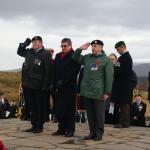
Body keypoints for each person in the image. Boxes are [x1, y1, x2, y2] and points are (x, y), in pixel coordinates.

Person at [72, 40, 114, 141]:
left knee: (99, 115)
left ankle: (99, 133)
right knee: (90, 114)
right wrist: (80, 49)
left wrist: (107, 92)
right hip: (87, 91)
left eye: (95, 46)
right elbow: (74, 57)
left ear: (101, 47)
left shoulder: (106, 60)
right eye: (92, 46)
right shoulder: (87, 58)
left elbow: (109, 77)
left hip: (98, 92)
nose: (93, 48)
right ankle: (92, 132)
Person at [17, 36, 54, 133]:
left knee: (39, 106)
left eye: (36, 42)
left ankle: (39, 126)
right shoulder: (29, 52)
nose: (34, 44)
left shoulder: (45, 54)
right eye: (33, 42)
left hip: (39, 85)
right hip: (28, 84)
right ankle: (33, 125)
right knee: (31, 106)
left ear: (41, 43)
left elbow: (48, 71)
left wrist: (46, 85)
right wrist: (24, 44)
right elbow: (20, 52)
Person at [52, 38, 80, 137]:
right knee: (60, 109)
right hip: (58, 87)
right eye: (62, 46)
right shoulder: (58, 56)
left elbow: (74, 71)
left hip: (69, 87)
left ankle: (70, 129)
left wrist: (63, 81)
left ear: (70, 46)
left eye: (65, 46)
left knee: (69, 109)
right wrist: (54, 82)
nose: (63, 47)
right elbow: (54, 70)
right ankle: (61, 128)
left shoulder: (74, 56)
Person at [111, 41, 133, 128]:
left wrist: (114, 70)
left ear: (123, 47)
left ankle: (124, 122)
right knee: (122, 103)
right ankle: (123, 122)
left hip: (124, 85)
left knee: (124, 104)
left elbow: (123, 71)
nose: (117, 51)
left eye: (118, 49)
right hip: (121, 85)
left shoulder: (126, 57)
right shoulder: (122, 57)